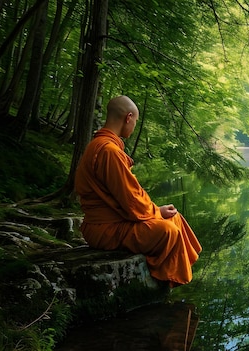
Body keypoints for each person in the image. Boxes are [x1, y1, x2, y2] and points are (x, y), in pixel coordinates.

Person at [75, 95, 202, 287]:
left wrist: (156, 210)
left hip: (114, 223)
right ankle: (163, 281)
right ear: (128, 118)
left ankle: (170, 275)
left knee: (174, 218)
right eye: (135, 121)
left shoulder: (103, 147)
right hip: (105, 230)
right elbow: (131, 200)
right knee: (168, 231)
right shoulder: (109, 151)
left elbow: (129, 197)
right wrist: (156, 212)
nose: (134, 126)